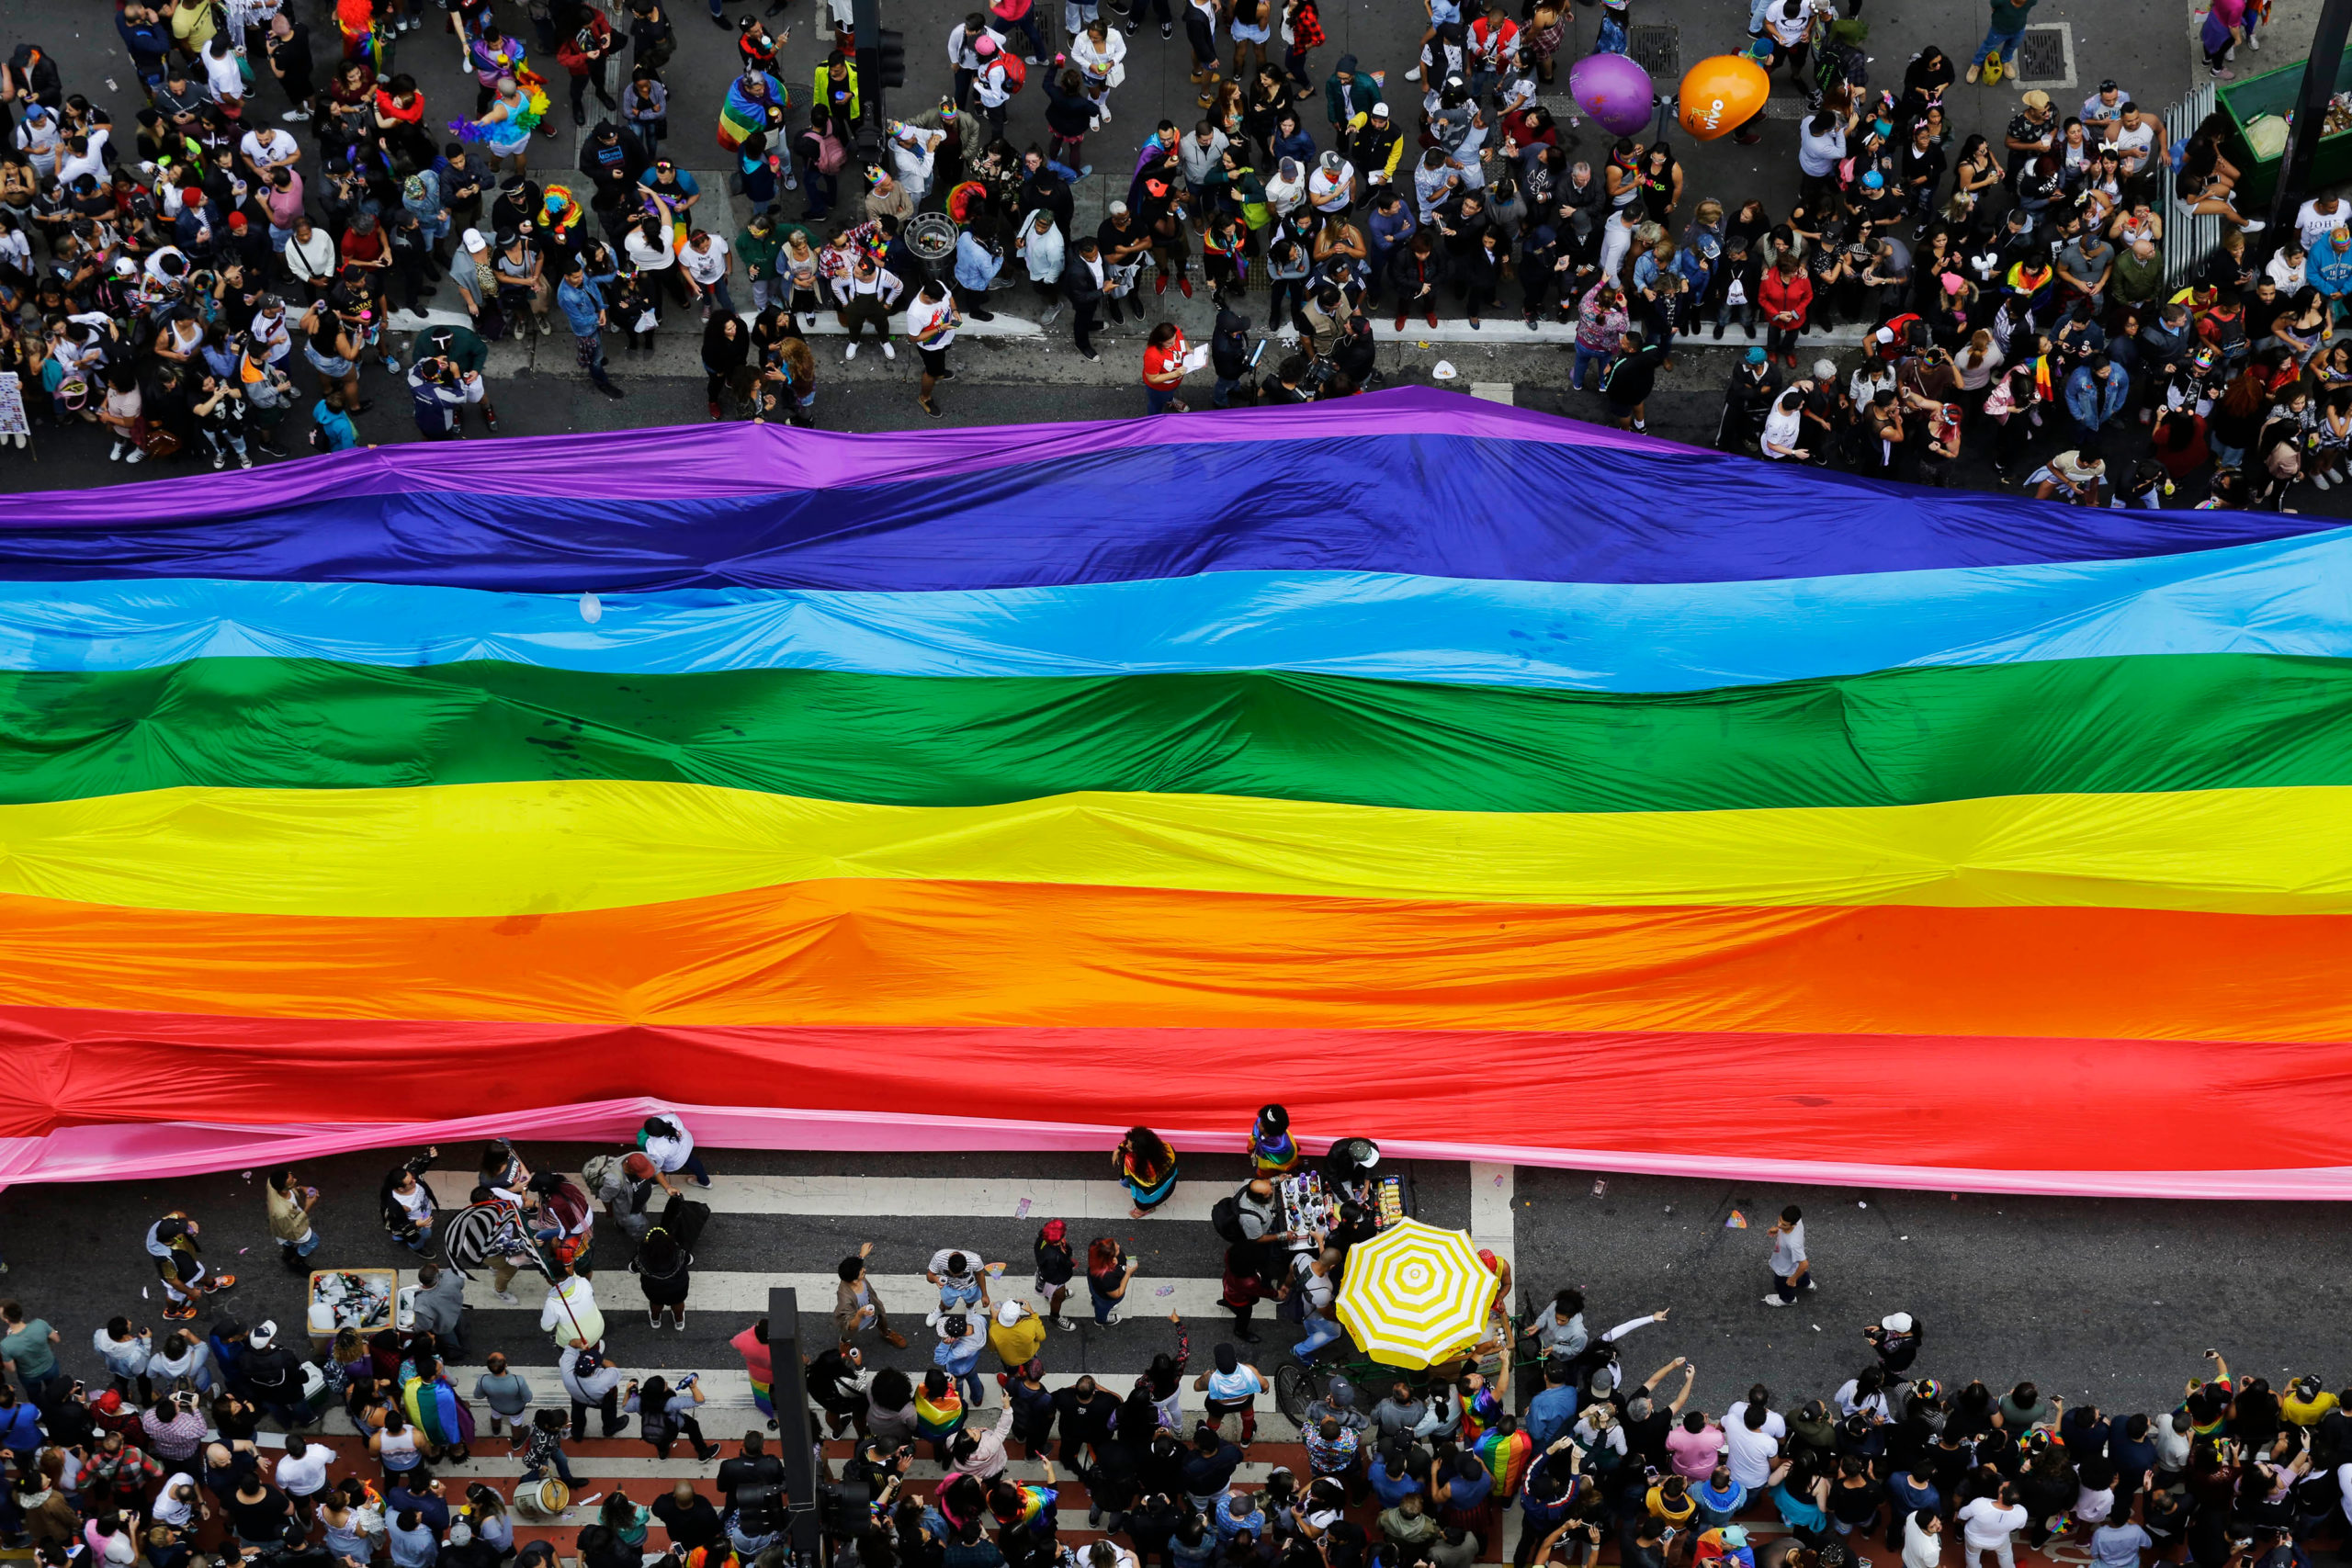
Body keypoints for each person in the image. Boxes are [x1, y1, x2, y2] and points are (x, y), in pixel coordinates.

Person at [906, 278, 960, 417]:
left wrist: (954, 311)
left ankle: (939, 371)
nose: (942, 302)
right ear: (928, 297)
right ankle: (924, 398)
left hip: (945, 338)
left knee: (940, 361)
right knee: (931, 373)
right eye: (937, 301)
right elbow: (912, 338)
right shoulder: (915, 313)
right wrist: (939, 329)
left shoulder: (938, 285)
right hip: (931, 348)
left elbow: (949, 297)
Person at [1144, 321, 1189, 414]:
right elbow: (1152, 378)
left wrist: (1189, 350)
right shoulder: (1152, 355)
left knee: (1168, 394)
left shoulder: (1174, 331)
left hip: (1173, 383)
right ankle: (1153, 421)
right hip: (1160, 388)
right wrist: (1175, 374)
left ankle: (1170, 400)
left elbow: (1182, 341)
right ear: (1159, 342)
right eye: (1169, 343)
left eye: (1174, 339)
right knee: (1155, 406)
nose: (1173, 344)